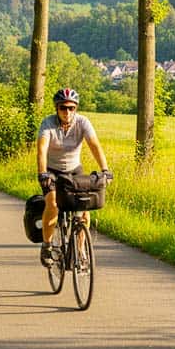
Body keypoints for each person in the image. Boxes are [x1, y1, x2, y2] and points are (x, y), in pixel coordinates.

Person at [36, 87, 111, 266]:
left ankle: (80, 250)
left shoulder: (83, 122)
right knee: (53, 203)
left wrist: (105, 169)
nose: (67, 112)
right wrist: (42, 173)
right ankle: (47, 246)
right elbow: (41, 150)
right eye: (63, 108)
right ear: (57, 108)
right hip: (52, 171)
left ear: (75, 108)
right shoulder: (48, 123)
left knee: (84, 209)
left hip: (74, 170)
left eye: (71, 108)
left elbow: (94, 145)